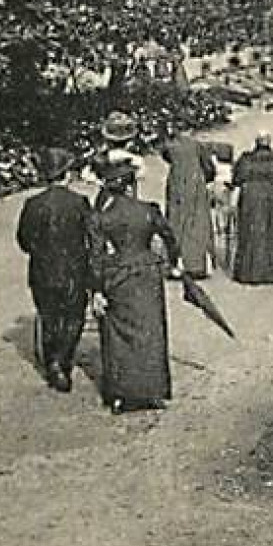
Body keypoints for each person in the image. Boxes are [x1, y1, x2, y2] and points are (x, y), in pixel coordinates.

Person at [90, 158, 178, 414]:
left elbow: (95, 256)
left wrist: (96, 289)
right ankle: (153, 389)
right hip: (147, 273)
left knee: (118, 333)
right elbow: (169, 237)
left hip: (117, 274)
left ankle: (120, 393)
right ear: (131, 187)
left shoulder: (101, 218)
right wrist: (173, 263)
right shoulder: (149, 210)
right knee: (151, 328)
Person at [16, 148, 95, 393]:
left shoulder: (33, 204)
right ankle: (63, 359)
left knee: (49, 316)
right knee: (74, 317)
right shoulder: (79, 203)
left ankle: (53, 362)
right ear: (67, 174)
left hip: (43, 269)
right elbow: (91, 237)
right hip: (75, 269)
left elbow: (24, 240)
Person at [231, 132, 273, 285]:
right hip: (272, 199)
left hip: (250, 201)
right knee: (271, 233)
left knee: (249, 234)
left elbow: (236, 179)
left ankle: (248, 273)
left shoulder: (246, 160)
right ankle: (271, 272)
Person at [160, 132, 216, 280]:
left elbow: (166, 157)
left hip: (176, 181)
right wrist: (209, 177)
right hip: (195, 182)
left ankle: (177, 263)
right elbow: (208, 166)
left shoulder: (169, 145)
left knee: (176, 221)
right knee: (197, 222)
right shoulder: (196, 145)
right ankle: (196, 264)